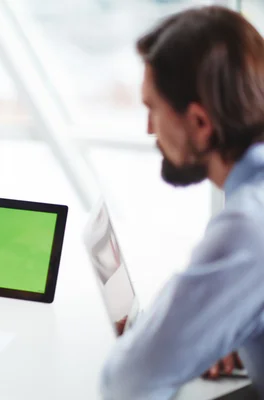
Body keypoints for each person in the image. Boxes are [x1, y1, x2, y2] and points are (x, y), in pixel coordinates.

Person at [101, 6, 264, 399]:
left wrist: (174, 317)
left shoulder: (248, 223)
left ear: (200, 123)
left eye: (152, 109)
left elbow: (128, 384)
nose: (148, 129)